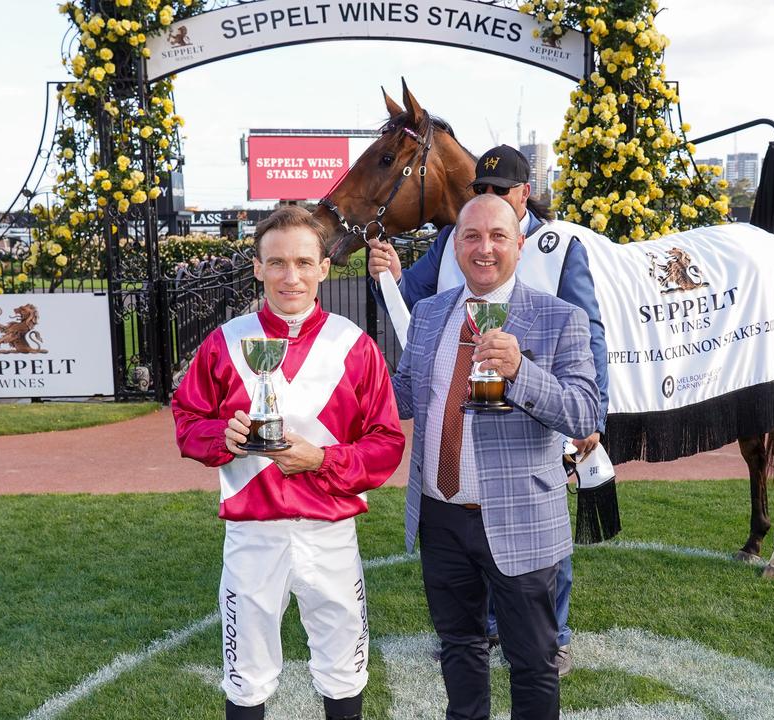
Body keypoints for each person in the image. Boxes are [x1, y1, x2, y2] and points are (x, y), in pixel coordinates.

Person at [369, 144, 609, 675]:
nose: (483, 248)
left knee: (534, 667)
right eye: (471, 235)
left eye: (498, 234)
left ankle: (558, 636)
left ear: (518, 242)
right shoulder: (433, 314)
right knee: (460, 656)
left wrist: (522, 371)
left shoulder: (559, 304)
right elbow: (402, 395)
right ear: (456, 244)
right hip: (442, 516)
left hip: (521, 509)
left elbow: (583, 406)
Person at [172, 205, 406, 720]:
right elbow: (187, 420)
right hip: (254, 534)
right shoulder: (227, 342)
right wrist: (224, 437)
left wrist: (322, 459)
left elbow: (386, 443)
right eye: (277, 263)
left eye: (303, 262)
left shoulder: (354, 346)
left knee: (343, 665)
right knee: (246, 674)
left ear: (325, 267)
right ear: (257, 267)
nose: (291, 276)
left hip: (330, 531)